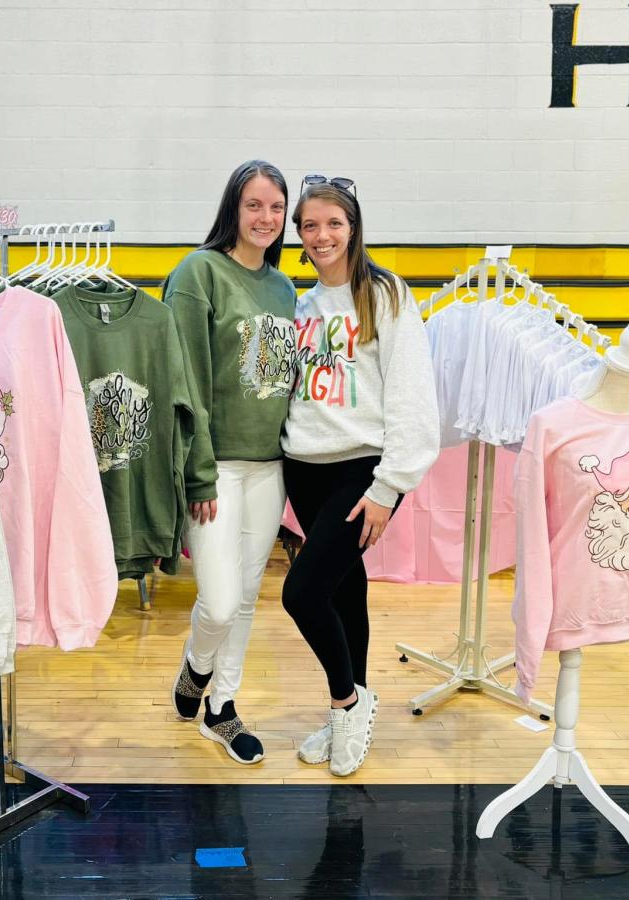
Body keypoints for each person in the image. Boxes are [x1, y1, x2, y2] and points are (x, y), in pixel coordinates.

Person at [281, 176, 440, 776]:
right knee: (344, 589)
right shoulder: (300, 305)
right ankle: (354, 705)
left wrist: (388, 486)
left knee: (301, 593)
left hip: (360, 469)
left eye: (333, 223)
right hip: (305, 466)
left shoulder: (385, 294)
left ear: (353, 228)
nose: (321, 235)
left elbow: (412, 395)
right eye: (310, 225)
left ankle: (347, 703)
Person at [164, 160, 298, 765]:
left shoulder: (284, 288)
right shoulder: (199, 274)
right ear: (233, 209)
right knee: (218, 602)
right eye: (254, 205)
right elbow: (185, 381)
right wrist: (197, 471)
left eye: (276, 207)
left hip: (270, 466)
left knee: (245, 597)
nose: (266, 218)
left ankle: (222, 707)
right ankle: (197, 665)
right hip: (215, 466)